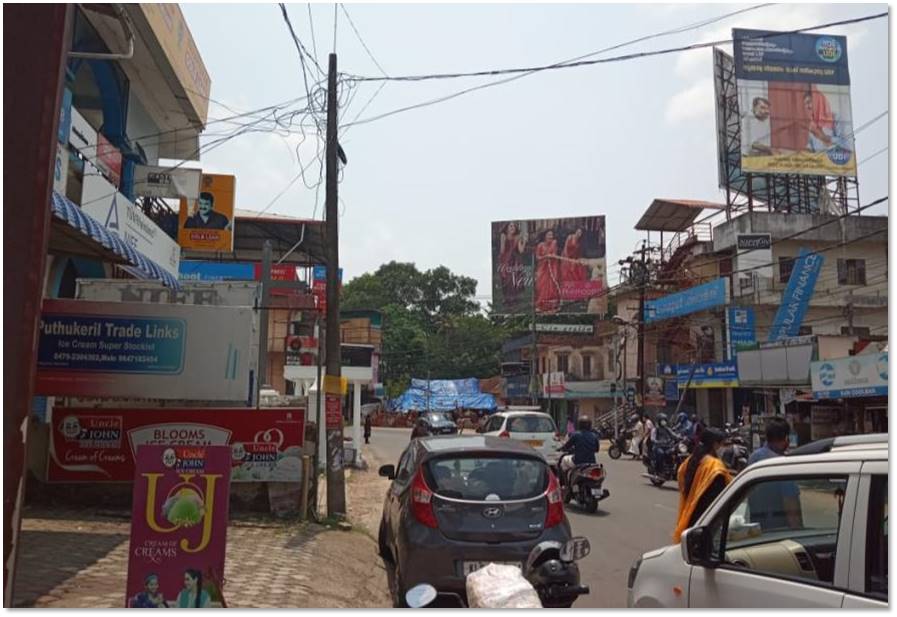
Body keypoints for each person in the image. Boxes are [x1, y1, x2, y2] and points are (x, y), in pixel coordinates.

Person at [673, 428, 732, 543]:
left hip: (690, 516)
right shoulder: (714, 466)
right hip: (707, 520)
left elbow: (681, 479)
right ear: (715, 444)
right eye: (722, 444)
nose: (723, 448)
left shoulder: (691, 460)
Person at [747, 417, 802, 531]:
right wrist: (798, 532)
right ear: (786, 438)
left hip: (758, 531)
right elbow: (791, 505)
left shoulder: (754, 458)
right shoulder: (782, 464)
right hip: (780, 534)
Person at [559, 417, 601, 486]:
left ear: (579, 425)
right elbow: (597, 449)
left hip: (578, 462)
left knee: (564, 460)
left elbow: (566, 447)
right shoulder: (594, 436)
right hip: (592, 463)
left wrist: (561, 449)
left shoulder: (575, 435)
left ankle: (565, 485)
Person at [498, 222, 527, 308]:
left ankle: (513, 299)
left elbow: (521, 250)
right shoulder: (503, 236)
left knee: (514, 279)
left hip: (515, 260)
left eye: (514, 226)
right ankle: (507, 298)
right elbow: (502, 250)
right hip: (505, 260)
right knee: (505, 279)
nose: (512, 227)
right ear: (507, 228)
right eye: (510, 226)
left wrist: (524, 241)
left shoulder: (517, 237)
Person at [534, 230, 561, 313]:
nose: (550, 236)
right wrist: (545, 257)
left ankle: (552, 305)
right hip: (542, 269)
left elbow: (555, 254)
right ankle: (541, 304)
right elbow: (537, 257)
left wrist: (552, 256)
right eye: (549, 235)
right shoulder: (540, 245)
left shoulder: (554, 243)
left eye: (552, 235)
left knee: (552, 286)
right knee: (541, 286)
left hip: (552, 269)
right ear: (545, 236)